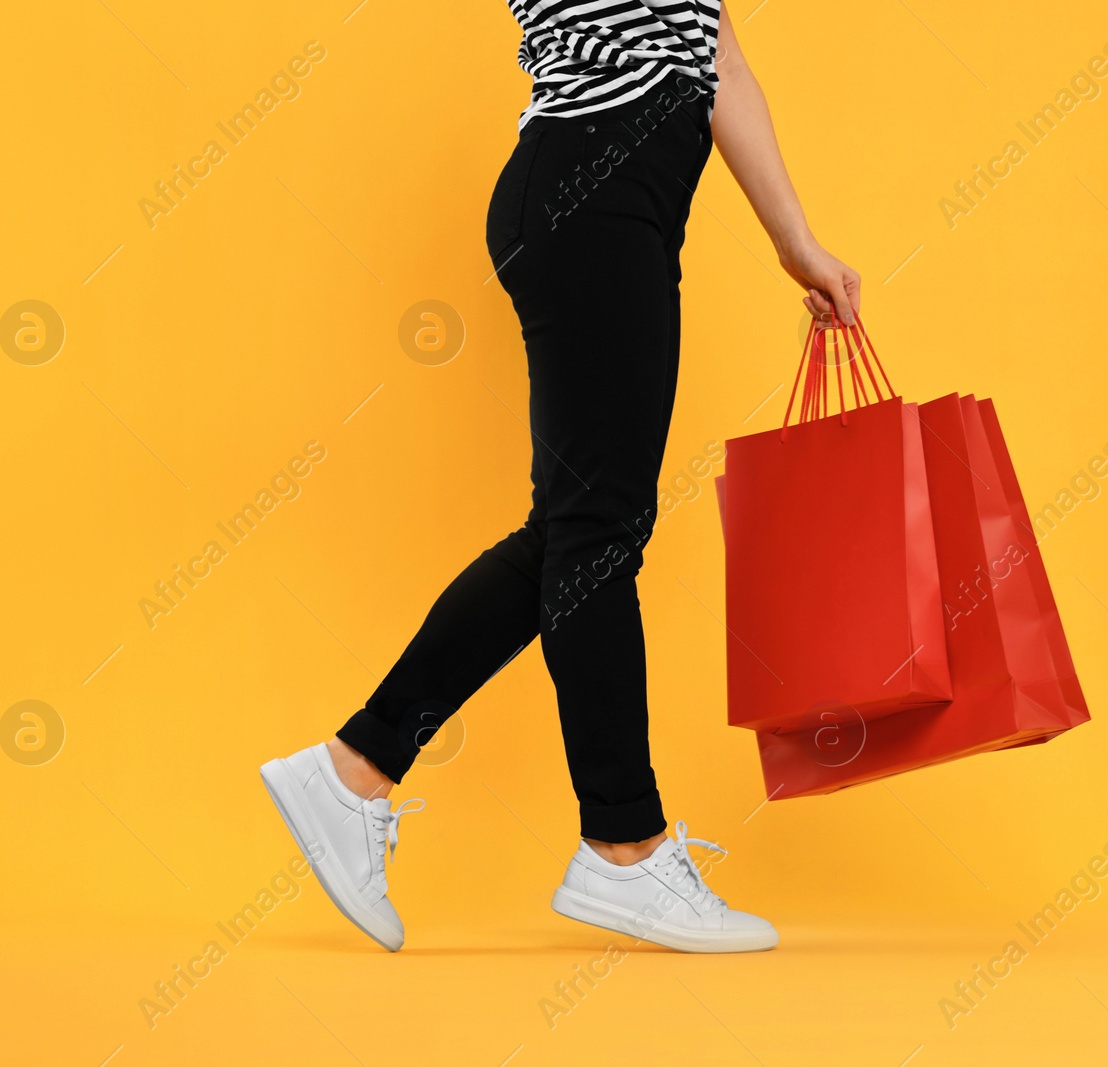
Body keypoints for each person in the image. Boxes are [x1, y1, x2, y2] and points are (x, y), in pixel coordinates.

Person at [260, 1, 861, 953]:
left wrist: (796, 242)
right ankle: (623, 845)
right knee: (596, 530)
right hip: (596, 178)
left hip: (616, 194)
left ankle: (355, 770)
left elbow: (718, 56)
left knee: (581, 530)